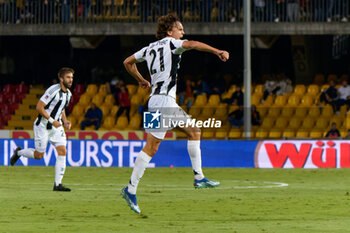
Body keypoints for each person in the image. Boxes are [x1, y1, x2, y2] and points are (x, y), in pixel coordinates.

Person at [121, 13, 229, 214]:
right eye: (180, 29)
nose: (183, 32)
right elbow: (193, 44)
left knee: (160, 144)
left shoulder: (149, 48)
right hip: (164, 101)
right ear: (170, 31)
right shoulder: (172, 43)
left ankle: (132, 189)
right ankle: (197, 178)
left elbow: (127, 62)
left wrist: (141, 80)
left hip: (153, 101)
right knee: (184, 135)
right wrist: (217, 51)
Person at [10, 67, 74, 191]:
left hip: (57, 127)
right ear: (61, 79)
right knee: (39, 155)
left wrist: (65, 121)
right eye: (68, 77)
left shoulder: (69, 94)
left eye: (71, 77)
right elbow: (39, 107)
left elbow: (61, 108)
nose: (70, 80)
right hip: (43, 126)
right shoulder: (53, 90)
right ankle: (18, 153)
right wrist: (52, 121)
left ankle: (58, 184)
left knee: (62, 151)